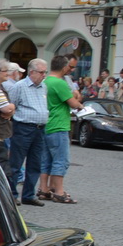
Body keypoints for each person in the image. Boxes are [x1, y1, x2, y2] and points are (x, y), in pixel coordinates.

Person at [5, 60, 51, 205]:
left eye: (45, 72)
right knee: (16, 162)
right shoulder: (19, 86)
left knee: (35, 163)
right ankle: (12, 194)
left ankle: (29, 195)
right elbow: (12, 106)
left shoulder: (43, 87)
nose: (44, 75)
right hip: (23, 127)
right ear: (32, 72)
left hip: (40, 128)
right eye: (41, 72)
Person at [39, 56, 82, 203]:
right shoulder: (59, 83)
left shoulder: (45, 81)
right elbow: (73, 104)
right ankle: (59, 191)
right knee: (61, 159)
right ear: (64, 67)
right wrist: (80, 104)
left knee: (46, 160)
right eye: (69, 67)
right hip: (59, 124)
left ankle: (43, 189)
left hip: (46, 124)